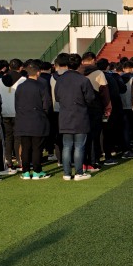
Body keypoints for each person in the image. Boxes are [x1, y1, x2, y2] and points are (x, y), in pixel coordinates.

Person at [54, 53, 95, 181]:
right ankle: (78, 172)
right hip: (80, 115)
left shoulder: (60, 80)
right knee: (79, 146)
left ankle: (67, 173)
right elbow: (90, 98)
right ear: (80, 64)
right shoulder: (83, 80)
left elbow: (57, 97)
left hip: (65, 116)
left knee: (67, 146)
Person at [14, 60, 52, 179]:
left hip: (23, 120)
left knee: (25, 147)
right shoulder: (41, 86)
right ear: (38, 72)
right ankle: (37, 171)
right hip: (37, 120)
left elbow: (16, 104)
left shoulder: (20, 86)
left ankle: (25, 172)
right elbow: (47, 104)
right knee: (37, 148)